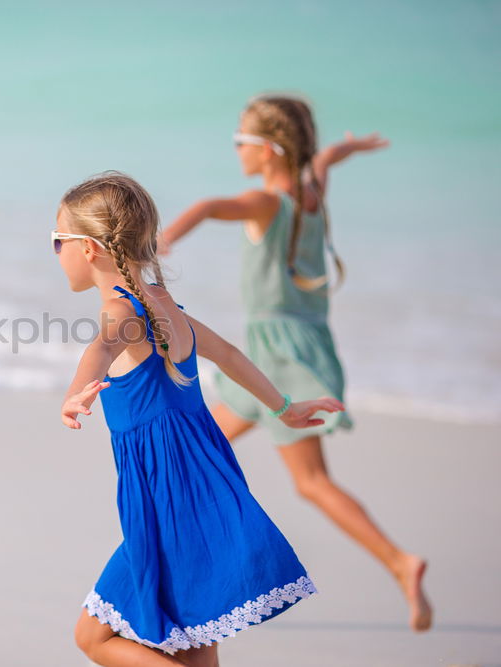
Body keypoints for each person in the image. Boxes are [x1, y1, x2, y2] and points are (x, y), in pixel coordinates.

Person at [157, 94, 431, 633]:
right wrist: (342, 150)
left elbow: (212, 206)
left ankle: (401, 562)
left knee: (308, 482)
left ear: (268, 151)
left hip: (276, 359)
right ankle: (182, 570)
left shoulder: (266, 203)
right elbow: (321, 163)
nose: (235, 148)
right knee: (199, 445)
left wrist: (161, 240)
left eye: (241, 141)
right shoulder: (309, 194)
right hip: (293, 347)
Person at [57, 171, 344, 666]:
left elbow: (101, 347)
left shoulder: (119, 311)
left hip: (165, 499)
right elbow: (230, 354)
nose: (56, 252)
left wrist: (74, 393)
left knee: (94, 638)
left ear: (88, 248)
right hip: (201, 486)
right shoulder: (165, 306)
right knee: (191, 640)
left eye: (57, 241)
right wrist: (283, 407)